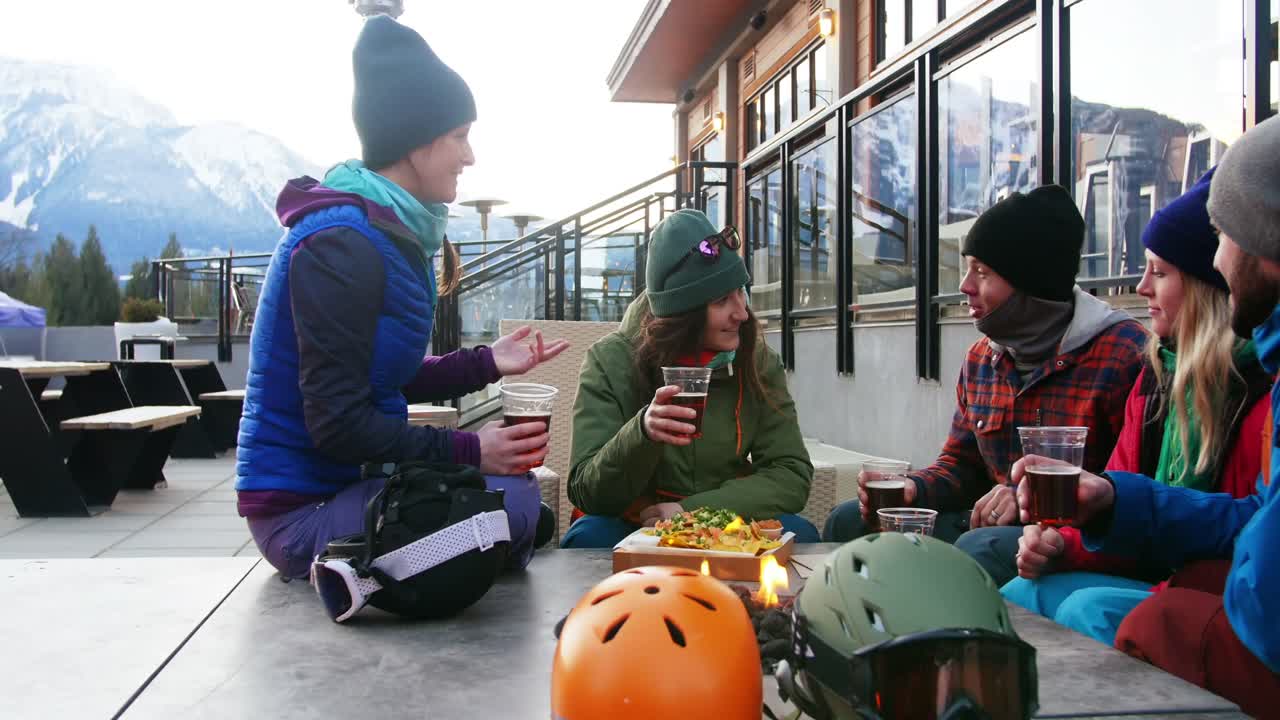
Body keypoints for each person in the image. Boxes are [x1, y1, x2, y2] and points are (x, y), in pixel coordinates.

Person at [235, 16, 568, 580]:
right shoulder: (341, 245)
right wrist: (469, 451)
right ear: (417, 141)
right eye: (460, 136)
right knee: (512, 509)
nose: (470, 156)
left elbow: (384, 375)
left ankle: (426, 553)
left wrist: (486, 362)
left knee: (518, 503)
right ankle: (363, 574)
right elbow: (338, 425)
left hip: (349, 485)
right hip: (299, 510)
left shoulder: (384, 232)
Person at [1011, 114, 1280, 717]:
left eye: (1222, 235)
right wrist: (1077, 529)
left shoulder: (1257, 389)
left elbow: (1254, 575)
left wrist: (1099, 517)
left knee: (1115, 616)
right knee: (1015, 583)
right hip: (1182, 580)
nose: (1140, 287)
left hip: (1200, 591)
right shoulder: (1157, 380)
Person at [824, 185, 1147, 544]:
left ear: (1031, 279)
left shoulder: (1123, 355)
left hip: (1071, 538)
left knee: (979, 545)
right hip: (985, 524)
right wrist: (914, 489)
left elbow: (1132, 485)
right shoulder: (982, 358)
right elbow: (962, 465)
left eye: (981, 271)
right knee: (849, 521)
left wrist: (1022, 497)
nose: (964, 286)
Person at [560, 209, 817, 548]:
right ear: (682, 315)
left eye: (741, 291)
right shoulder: (610, 361)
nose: (741, 313)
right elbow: (587, 492)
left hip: (723, 519)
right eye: (722, 300)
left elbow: (791, 473)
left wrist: (690, 511)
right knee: (587, 539)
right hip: (632, 524)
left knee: (805, 536)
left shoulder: (757, 361)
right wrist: (643, 433)